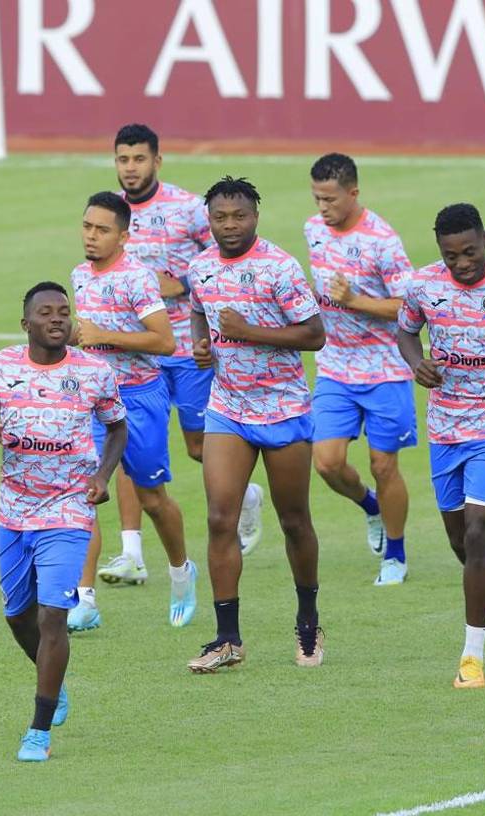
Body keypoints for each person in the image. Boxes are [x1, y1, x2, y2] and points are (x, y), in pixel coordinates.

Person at [0, 282, 127, 762]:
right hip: (14, 510)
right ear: (26, 324)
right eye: (45, 313)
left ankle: (38, 730)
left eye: (63, 312)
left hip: (69, 509)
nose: (57, 319)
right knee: (18, 615)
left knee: (53, 614)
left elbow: (117, 426)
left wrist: (102, 475)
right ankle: (52, 681)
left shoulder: (95, 373)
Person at [105, 124, 264, 585]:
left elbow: (230, 257)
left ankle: (249, 496)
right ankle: (131, 552)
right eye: (122, 159)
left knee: (199, 447)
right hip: (135, 353)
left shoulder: (188, 208)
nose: (130, 168)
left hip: (187, 347)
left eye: (138, 159)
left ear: (157, 160)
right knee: (127, 443)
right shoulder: (111, 213)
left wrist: (180, 285)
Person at [185, 177, 328, 673]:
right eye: (220, 218)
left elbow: (315, 335)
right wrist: (202, 346)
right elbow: (198, 314)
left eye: (239, 216)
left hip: (284, 409)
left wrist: (249, 332)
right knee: (220, 519)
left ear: (255, 217)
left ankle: (308, 621)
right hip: (227, 409)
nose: (229, 226)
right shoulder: (199, 267)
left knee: (294, 520)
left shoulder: (279, 267)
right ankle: (227, 639)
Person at [397, 203, 485, 689]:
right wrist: (418, 363)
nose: (461, 264)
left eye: (470, 252)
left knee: (479, 533)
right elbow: (406, 329)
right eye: (451, 255)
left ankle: (470, 659)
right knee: (460, 541)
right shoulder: (422, 286)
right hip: (444, 426)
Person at [65, 192, 197, 631]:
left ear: (123, 236)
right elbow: (86, 336)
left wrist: (105, 334)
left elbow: (165, 342)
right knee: (81, 496)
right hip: (92, 402)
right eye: (87, 227)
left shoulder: (137, 278)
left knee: (152, 499)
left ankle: (181, 571)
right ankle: (84, 601)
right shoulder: (80, 276)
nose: (91, 236)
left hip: (139, 399)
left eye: (101, 230)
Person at [304, 152, 417, 585]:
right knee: (327, 463)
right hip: (335, 365)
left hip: (385, 368)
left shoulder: (382, 241)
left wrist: (356, 301)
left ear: (353, 193)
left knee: (383, 464)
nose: (322, 208)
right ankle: (371, 507)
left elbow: (408, 307)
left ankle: (397, 552)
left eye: (330, 199)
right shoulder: (313, 230)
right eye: (317, 198)